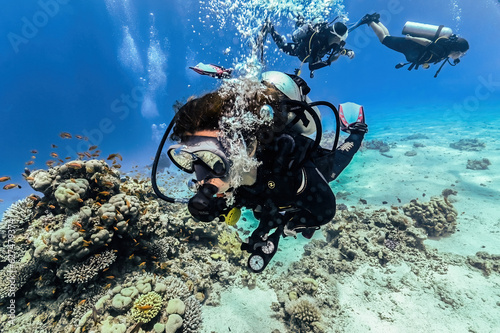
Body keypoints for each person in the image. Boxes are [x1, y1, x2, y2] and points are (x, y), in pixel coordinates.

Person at [152, 71, 367, 272]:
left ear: (248, 147)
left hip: (294, 176)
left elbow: (325, 212)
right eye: (190, 158)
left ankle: (356, 131)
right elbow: (243, 199)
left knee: (336, 164)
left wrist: (291, 224)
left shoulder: (288, 163)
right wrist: (219, 208)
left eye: (211, 157)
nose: (200, 176)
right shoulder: (230, 174)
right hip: (266, 193)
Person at [360, 13, 469, 77]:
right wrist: (411, 38)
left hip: (412, 49)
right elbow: (427, 43)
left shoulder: (444, 52)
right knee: (384, 39)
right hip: (410, 46)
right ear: (456, 51)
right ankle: (370, 21)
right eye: (461, 54)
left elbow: (430, 53)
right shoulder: (442, 51)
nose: (460, 57)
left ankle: (376, 21)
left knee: (387, 37)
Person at [265, 17, 355, 78]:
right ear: (335, 37)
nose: (341, 42)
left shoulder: (331, 40)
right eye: (340, 39)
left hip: (310, 51)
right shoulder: (318, 43)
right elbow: (311, 66)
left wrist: (347, 52)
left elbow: (337, 48)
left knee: (301, 23)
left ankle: (300, 20)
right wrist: (328, 62)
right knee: (282, 46)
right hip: (300, 51)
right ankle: (270, 28)